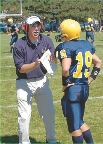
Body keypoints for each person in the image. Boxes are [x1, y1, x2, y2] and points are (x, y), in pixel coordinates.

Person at [54, 19, 102, 143]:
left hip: (73, 89)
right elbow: (98, 63)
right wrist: (90, 79)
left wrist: (65, 84)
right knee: (79, 121)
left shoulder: (65, 46)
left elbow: (65, 69)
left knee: (74, 125)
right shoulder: (86, 44)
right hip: (84, 88)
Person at [13, 15, 57, 144]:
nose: (36, 28)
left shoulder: (47, 40)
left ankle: (51, 139)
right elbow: (21, 69)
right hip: (24, 83)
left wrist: (53, 58)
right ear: (26, 27)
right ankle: (24, 142)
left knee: (49, 113)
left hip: (42, 81)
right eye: (33, 26)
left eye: (38, 25)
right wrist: (35, 64)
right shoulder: (19, 44)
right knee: (24, 117)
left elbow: (55, 60)